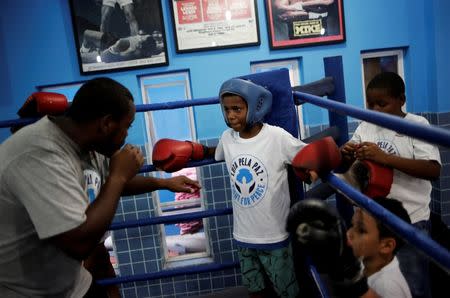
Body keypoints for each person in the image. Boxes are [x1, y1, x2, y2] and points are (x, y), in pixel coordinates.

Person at [0, 78, 201, 297]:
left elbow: (114, 183)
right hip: (28, 292)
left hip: (72, 282)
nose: (127, 136)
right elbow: (79, 243)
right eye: (127, 126)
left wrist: (164, 183)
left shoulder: (88, 144)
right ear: (106, 124)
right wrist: (118, 175)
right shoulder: (40, 155)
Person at [151, 78, 342, 297]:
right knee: (255, 290)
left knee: (287, 291)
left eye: (237, 109)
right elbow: (214, 152)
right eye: (227, 110)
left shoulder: (276, 137)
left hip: (274, 236)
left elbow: (307, 155)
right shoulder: (227, 138)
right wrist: (191, 149)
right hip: (243, 235)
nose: (231, 115)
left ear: (255, 107)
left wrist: (321, 164)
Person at [340, 72, 441, 298]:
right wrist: (345, 153)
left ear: (401, 100)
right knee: (378, 286)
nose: (375, 110)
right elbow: (348, 158)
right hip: (374, 223)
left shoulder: (417, 124)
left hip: (411, 222)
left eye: (382, 104)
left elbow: (433, 169)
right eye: (371, 104)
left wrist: (385, 158)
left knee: (413, 286)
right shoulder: (366, 125)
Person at [287, 197, 412, 298]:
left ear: (386, 245)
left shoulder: (388, 286)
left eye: (361, 230)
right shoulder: (368, 260)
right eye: (352, 225)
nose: (349, 233)